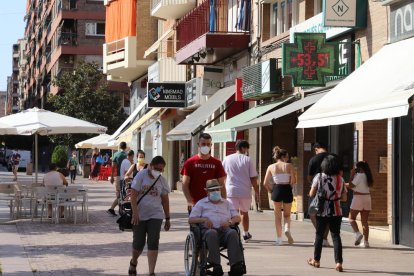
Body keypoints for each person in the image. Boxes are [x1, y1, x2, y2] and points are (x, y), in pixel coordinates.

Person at [189, 179, 245, 276]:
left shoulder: (226, 203)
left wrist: (230, 222)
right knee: (212, 233)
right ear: (207, 192)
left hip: (225, 231)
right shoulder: (201, 204)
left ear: (220, 190)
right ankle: (216, 265)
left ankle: (235, 265)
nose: (215, 192)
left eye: (217, 189)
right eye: (212, 190)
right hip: (208, 232)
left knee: (232, 233)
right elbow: (191, 220)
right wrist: (204, 220)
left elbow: (238, 217)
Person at [129, 156, 171, 276]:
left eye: (162, 170)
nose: (159, 171)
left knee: (153, 242)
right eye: (157, 168)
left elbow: (165, 201)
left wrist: (167, 218)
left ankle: (151, 272)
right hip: (140, 215)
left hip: (156, 215)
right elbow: (133, 195)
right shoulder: (141, 176)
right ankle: (134, 261)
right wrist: (135, 213)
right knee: (138, 244)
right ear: (151, 166)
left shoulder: (162, 180)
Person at [307, 154, 347, 272]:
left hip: (321, 211)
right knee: (336, 236)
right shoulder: (341, 179)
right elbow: (344, 199)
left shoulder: (319, 177)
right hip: (337, 210)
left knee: (319, 235)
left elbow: (311, 194)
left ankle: (316, 260)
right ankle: (338, 262)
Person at [222, 140, 258, 242]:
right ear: (243, 148)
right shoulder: (248, 160)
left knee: (232, 213)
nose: (247, 151)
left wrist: (222, 189)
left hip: (231, 191)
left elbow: (222, 176)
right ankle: (245, 234)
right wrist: (257, 191)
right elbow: (253, 178)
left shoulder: (227, 159)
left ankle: (231, 234)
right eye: (246, 149)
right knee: (244, 213)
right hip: (245, 191)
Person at [181, 133, 227, 211]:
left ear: (211, 145)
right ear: (198, 144)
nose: (206, 146)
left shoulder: (217, 163)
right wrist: (189, 201)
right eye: (203, 144)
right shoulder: (190, 162)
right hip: (195, 204)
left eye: (208, 144)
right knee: (195, 223)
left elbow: (222, 184)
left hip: (213, 203)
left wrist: (224, 201)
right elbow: (185, 184)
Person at [263, 146, 296, 245]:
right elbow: (293, 181)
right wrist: (289, 185)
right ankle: (287, 228)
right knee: (287, 215)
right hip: (287, 189)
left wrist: (271, 191)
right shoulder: (289, 166)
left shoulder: (271, 167)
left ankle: (279, 239)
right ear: (284, 156)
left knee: (277, 217)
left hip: (276, 189)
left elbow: (265, 183)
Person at [346, 161, 374, 248]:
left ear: (360, 168)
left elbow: (351, 185)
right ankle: (366, 242)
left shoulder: (359, 175)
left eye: (356, 168)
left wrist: (351, 175)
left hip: (358, 198)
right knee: (365, 222)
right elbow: (355, 185)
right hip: (367, 198)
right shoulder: (368, 176)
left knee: (351, 218)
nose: (355, 169)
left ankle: (358, 234)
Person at [307, 142, 330, 247]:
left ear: (316, 149)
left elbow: (309, 177)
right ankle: (324, 238)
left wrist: (313, 185)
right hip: (332, 190)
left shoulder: (314, 159)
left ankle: (320, 235)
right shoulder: (333, 157)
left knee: (312, 212)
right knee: (329, 214)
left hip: (316, 190)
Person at [108, 141, 127, 216]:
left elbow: (113, 166)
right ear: (125, 147)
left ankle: (117, 209)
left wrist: (112, 176)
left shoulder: (115, 154)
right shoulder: (126, 155)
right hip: (125, 177)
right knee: (122, 194)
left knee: (118, 193)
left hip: (118, 176)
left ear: (119, 147)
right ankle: (113, 209)